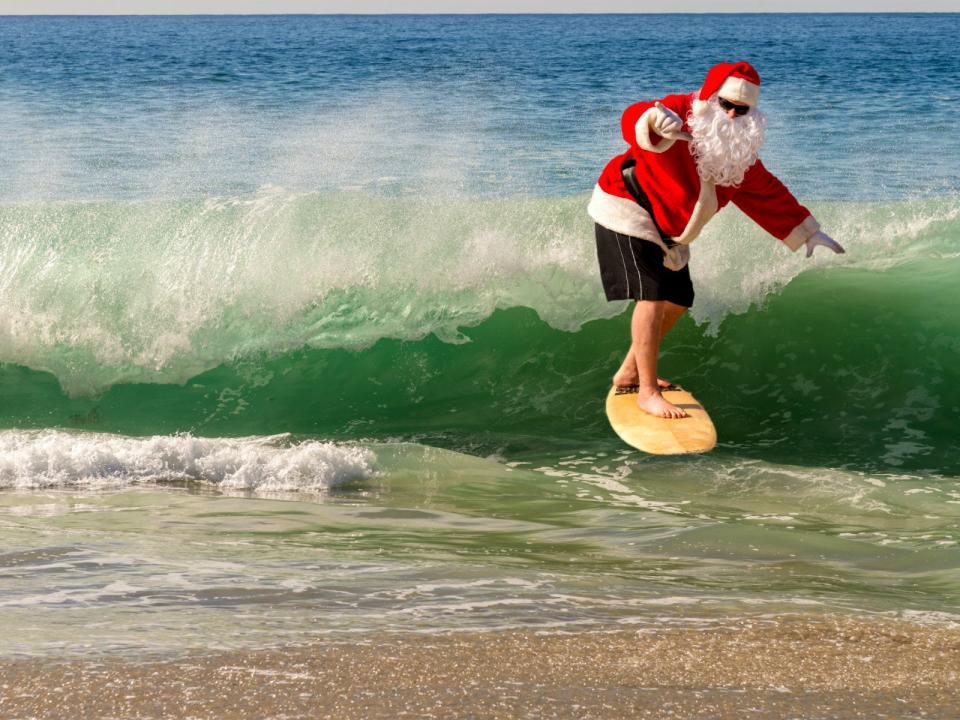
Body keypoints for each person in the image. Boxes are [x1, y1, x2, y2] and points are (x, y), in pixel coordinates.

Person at [587, 61, 845, 419]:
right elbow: (635, 117)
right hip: (627, 206)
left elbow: (768, 193)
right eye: (726, 104)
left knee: (678, 299)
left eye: (742, 109)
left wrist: (809, 233)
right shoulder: (679, 111)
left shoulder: (737, 156)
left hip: (668, 229)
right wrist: (650, 121)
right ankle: (645, 392)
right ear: (711, 97)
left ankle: (630, 370)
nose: (732, 114)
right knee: (652, 295)